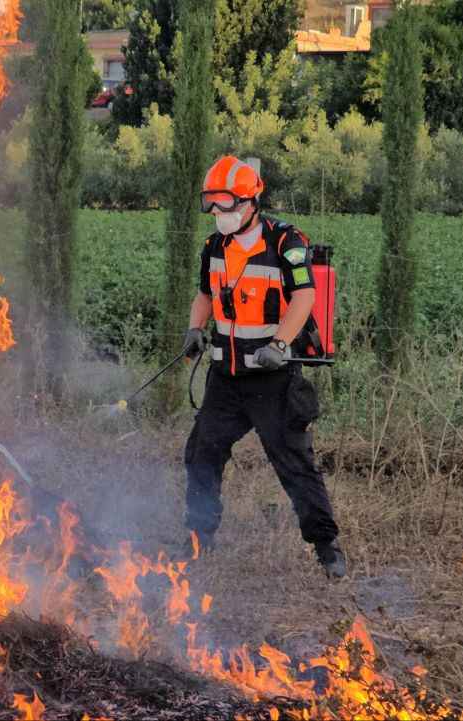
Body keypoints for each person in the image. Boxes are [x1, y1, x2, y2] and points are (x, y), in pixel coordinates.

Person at [181, 155, 346, 579]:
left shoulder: (285, 242)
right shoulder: (214, 247)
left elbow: (305, 297)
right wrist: (195, 328)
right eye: (211, 204)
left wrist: (280, 343)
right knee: (201, 453)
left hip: (272, 379)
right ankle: (199, 538)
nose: (217, 212)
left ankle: (326, 547)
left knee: (294, 463)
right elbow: (205, 294)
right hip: (226, 377)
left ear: (251, 202)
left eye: (225, 204)